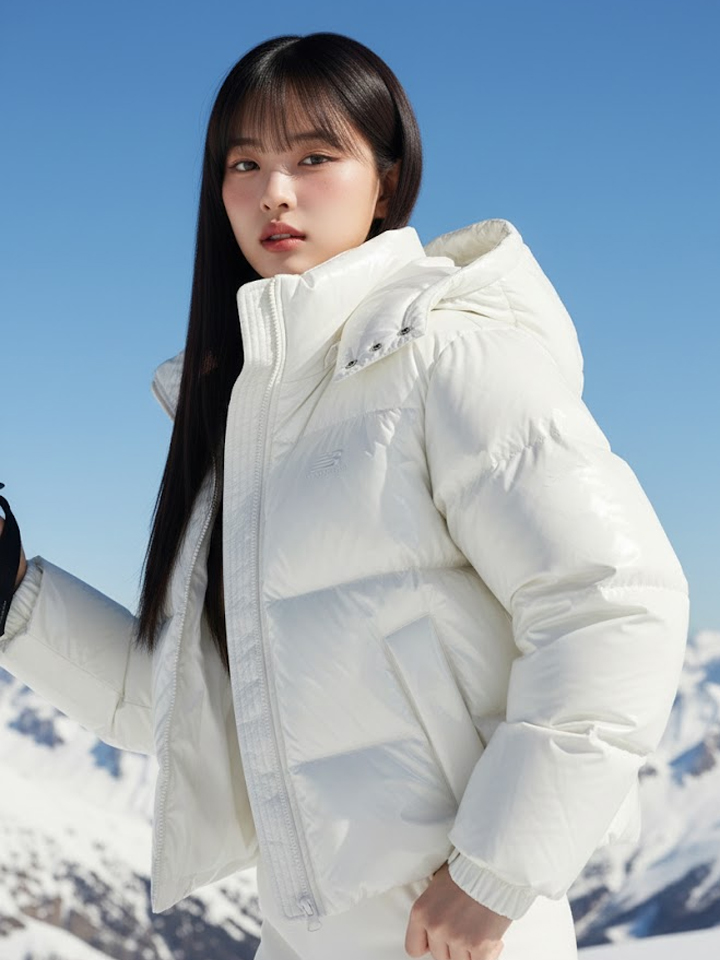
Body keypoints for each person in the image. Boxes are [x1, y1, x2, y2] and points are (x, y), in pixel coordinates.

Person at [0, 32, 689, 960]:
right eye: (244, 163)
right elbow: (183, 704)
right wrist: (14, 598)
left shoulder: (450, 356)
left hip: (457, 938)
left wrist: (493, 877)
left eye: (315, 158)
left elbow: (614, 605)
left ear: (387, 183)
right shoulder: (244, 419)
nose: (274, 192)